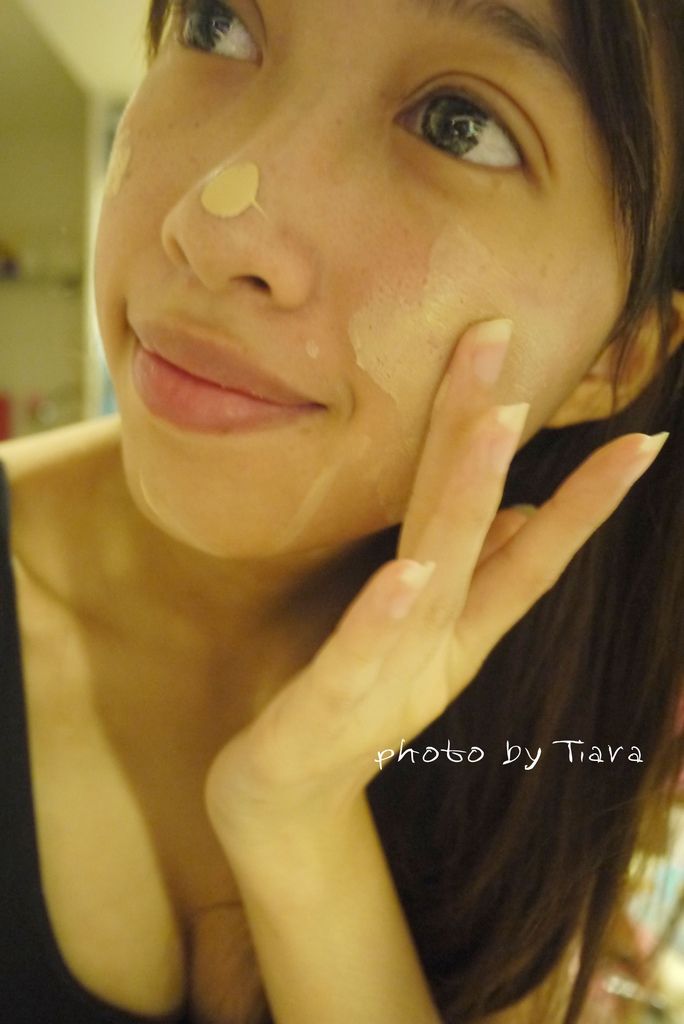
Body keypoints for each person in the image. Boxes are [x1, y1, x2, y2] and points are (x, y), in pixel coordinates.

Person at [1, 0, 683, 1021]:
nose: (213, 226)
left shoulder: (542, 725)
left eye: (459, 125)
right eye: (217, 25)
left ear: (613, 361)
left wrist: (298, 823)